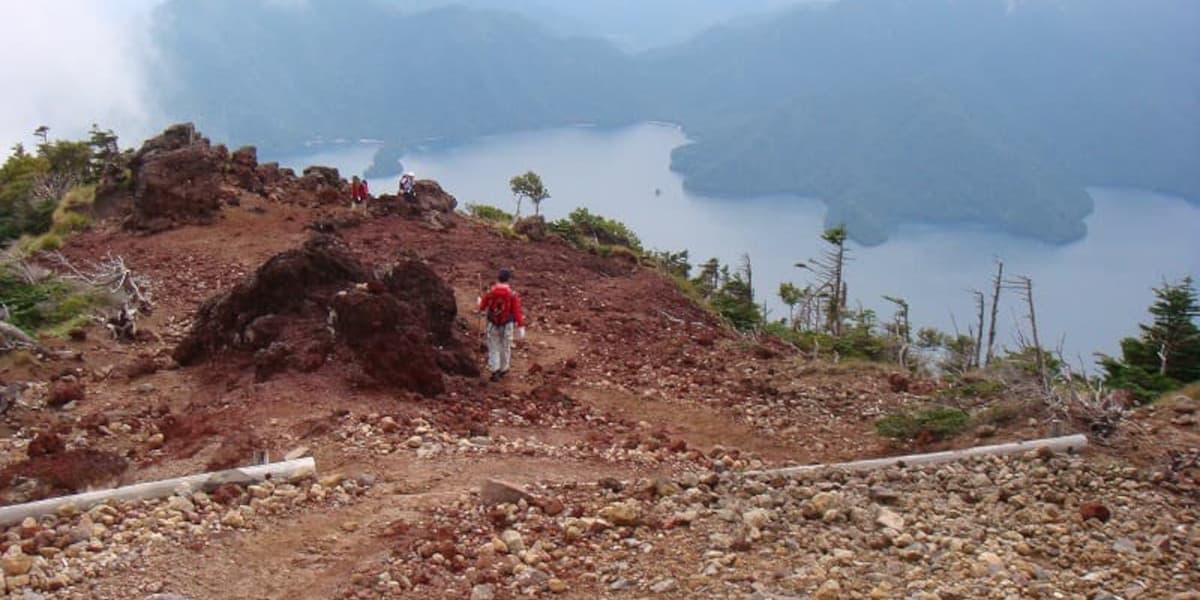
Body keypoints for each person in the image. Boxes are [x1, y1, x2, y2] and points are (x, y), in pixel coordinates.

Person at [478, 268, 526, 382]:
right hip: (507, 324)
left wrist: (479, 302)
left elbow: (482, 307)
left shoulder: (490, 292)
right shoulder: (512, 295)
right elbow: (516, 311)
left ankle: (495, 369)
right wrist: (521, 326)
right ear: (508, 279)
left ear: (497, 278)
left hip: (492, 323)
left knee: (493, 346)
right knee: (505, 346)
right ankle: (504, 368)